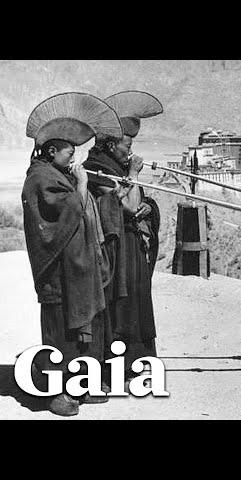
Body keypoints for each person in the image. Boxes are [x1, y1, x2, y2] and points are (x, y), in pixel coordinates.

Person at [21, 92, 123, 416]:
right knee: (61, 335)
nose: (74, 158)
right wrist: (81, 184)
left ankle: (81, 386)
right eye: (69, 151)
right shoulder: (40, 178)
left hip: (77, 271)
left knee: (81, 333)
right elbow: (67, 213)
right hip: (58, 274)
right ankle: (58, 395)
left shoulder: (57, 173)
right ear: (52, 150)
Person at [83, 90, 162, 386]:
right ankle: (119, 366)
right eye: (127, 144)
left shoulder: (113, 165)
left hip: (131, 244)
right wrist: (133, 174)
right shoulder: (97, 166)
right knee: (121, 304)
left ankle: (137, 361)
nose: (129, 150)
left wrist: (145, 206)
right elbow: (127, 205)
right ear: (111, 143)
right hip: (116, 249)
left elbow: (133, 203)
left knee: (138, 299)